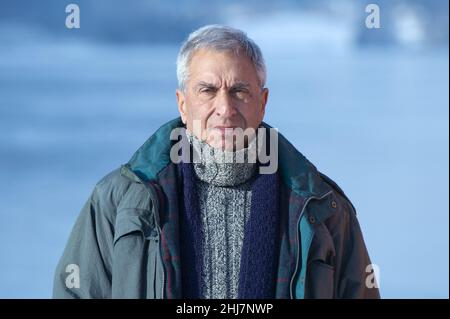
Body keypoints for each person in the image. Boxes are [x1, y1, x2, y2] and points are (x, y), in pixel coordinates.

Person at [53, 25, 380, 299]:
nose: (225, 108)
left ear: (262, 102)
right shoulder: (118, 201)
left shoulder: (322, 208)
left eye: (239, 90)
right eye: (207, 90)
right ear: (183, 104)